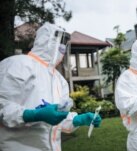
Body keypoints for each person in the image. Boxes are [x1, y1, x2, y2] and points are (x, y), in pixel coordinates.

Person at [0, 22, 102, 151]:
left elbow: (58, 119)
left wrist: (78, 119)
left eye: (65, 42)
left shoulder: (59, 80)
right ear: (48, 41)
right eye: (61, 40)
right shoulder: (17, 65)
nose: (63, 46)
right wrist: (32, 115)